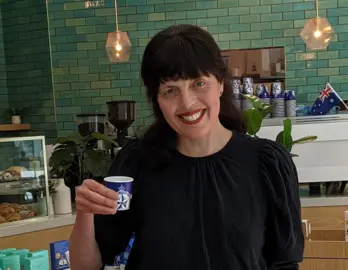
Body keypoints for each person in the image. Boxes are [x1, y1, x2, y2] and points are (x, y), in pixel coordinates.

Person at [69, 24, 304, 270]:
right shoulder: (137, 163)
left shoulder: (266, 163)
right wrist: (85, 213)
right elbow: (86, 266)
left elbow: (284, 262)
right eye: (170, 90)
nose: (187, 103)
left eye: (199, 83)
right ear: (157, 101)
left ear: (220, 83)